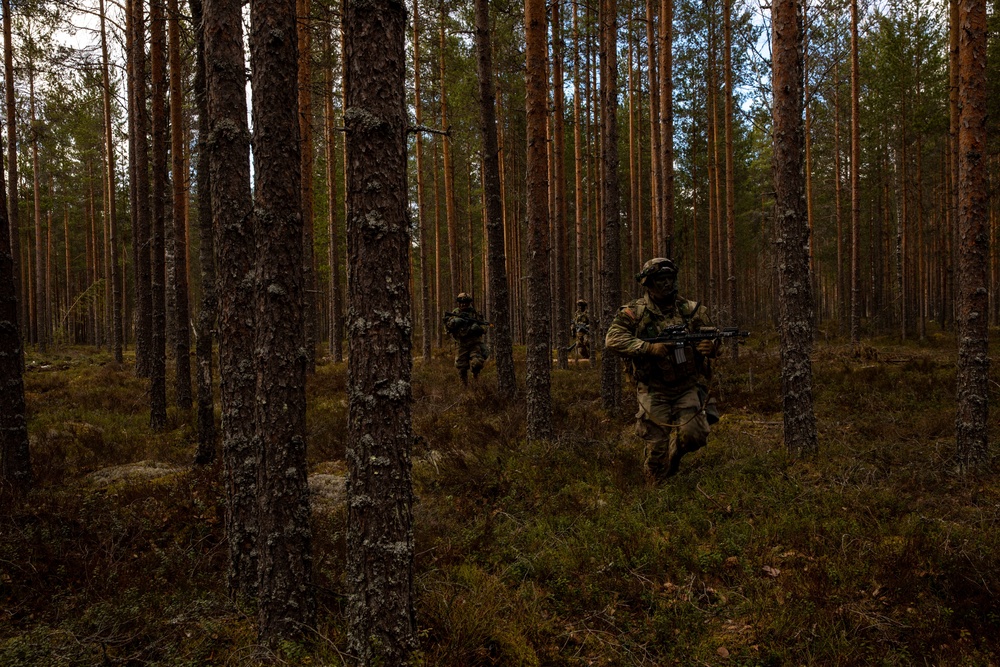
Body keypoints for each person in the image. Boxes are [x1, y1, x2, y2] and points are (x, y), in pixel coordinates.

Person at [605, 258, 720, 483]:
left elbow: (712, 336)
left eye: (670, 279)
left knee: (695, 436)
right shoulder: (634, 313)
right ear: (648, 283)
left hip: (686, 386)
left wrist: (712, 346)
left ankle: (674, 456)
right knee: (656, 449)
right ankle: (656, 490)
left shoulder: (691, 310)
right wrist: (648, 347)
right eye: (661, 280)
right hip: (653, 389)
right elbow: (612, 338)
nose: (667, 284)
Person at [443, 292, 490, 385]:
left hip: (474, 344)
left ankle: (476, 378)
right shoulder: (455, 313)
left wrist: (478, 328)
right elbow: (447, 328)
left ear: (469, 303)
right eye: (461, 302)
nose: (463, 304)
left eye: (466, 302)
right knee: (461, 367)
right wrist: (454, 322)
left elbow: (485, 327)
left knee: (477, 363)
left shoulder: (475, 314)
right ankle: (464, 388)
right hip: (461, 345)